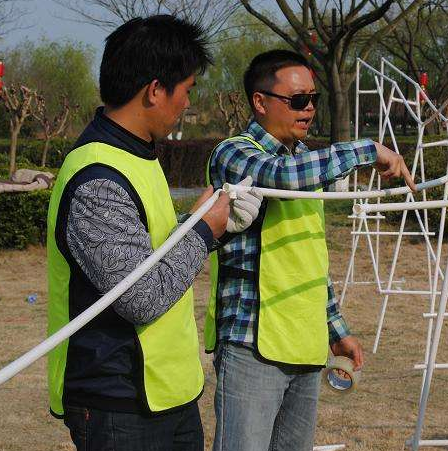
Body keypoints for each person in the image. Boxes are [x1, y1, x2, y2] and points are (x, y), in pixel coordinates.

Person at [46, 15, 261, 451]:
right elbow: (140, 295)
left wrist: (201, 224)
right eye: (186, 91)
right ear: (155, 90)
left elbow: (148, 255)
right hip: (120, 403)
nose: (187, 104)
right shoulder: (97, 176)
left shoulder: (136, 154)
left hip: (166, 393)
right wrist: (203, 231)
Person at [205, 49, 415, 451]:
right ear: (260, 102)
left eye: (313, 99)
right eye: (298, 100)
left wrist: (337, 331)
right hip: (252, 344)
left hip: (305, 345)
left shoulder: (307, 162)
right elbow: (281, 176)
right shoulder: (234, 153)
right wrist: (369, 149)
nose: (309, 109)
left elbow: (310, 258)